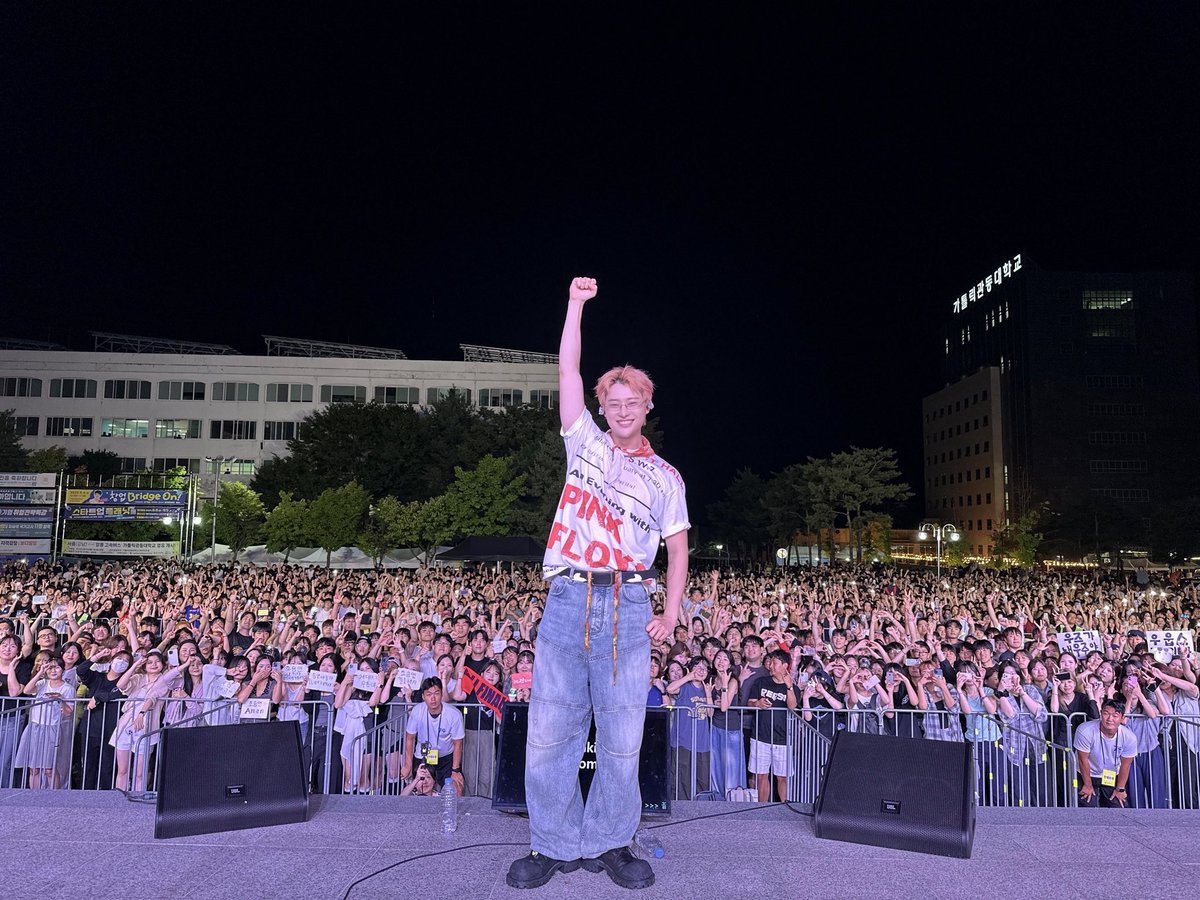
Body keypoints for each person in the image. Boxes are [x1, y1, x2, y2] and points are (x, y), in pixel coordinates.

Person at [509, 277, 690, 891]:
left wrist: (669, 612)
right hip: (566, 597)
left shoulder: (666, 478)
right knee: (551, 731)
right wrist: (575, 306)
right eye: (610, 400)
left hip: (627, 601)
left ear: (646, 407)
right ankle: (552, 844)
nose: (620, 409)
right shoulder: (582, 442)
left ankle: (613, 842)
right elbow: (566, 366)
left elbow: (678, 547)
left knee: (620, 738)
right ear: (601, 407)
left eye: (630, 400)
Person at [745, 649, 798, 803]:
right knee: (761, 775)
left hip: (782, 738)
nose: (771, 666)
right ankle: (762, 808)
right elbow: (749, 702)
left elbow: (793, 706)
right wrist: (757, 703)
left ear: (785, 666)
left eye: (774, 663)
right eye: (770, 663)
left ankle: (784, 807)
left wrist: (789, 687)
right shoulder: (761, 682)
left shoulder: (791, 687)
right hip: (760, 735)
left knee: (782, 776)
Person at [402, 676, 464, 793]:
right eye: (429, 694)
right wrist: (407, 765)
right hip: (423, 755)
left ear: (441, 695)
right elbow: (410, 738)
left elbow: (458, 743)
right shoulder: (417, 711)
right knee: (420, 787)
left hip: (446, 756)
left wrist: (455, 770)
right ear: (423, 696)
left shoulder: (454, 714)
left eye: (436, 693)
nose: (433, 698)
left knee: (456, 787)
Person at [1074, 697, 1137, 808]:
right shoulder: (1085, 731)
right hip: (1087, 773)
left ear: (1122, 718)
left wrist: (1120, 789)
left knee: (1118, 805)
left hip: (1112, 775)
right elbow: (1082, 760)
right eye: (1106, 713)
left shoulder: (1129, 737)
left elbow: (1125, 765)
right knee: (1087, 805)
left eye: (1115, 716)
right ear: (1100, 713)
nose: (1109, 719)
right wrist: (1087, 785)